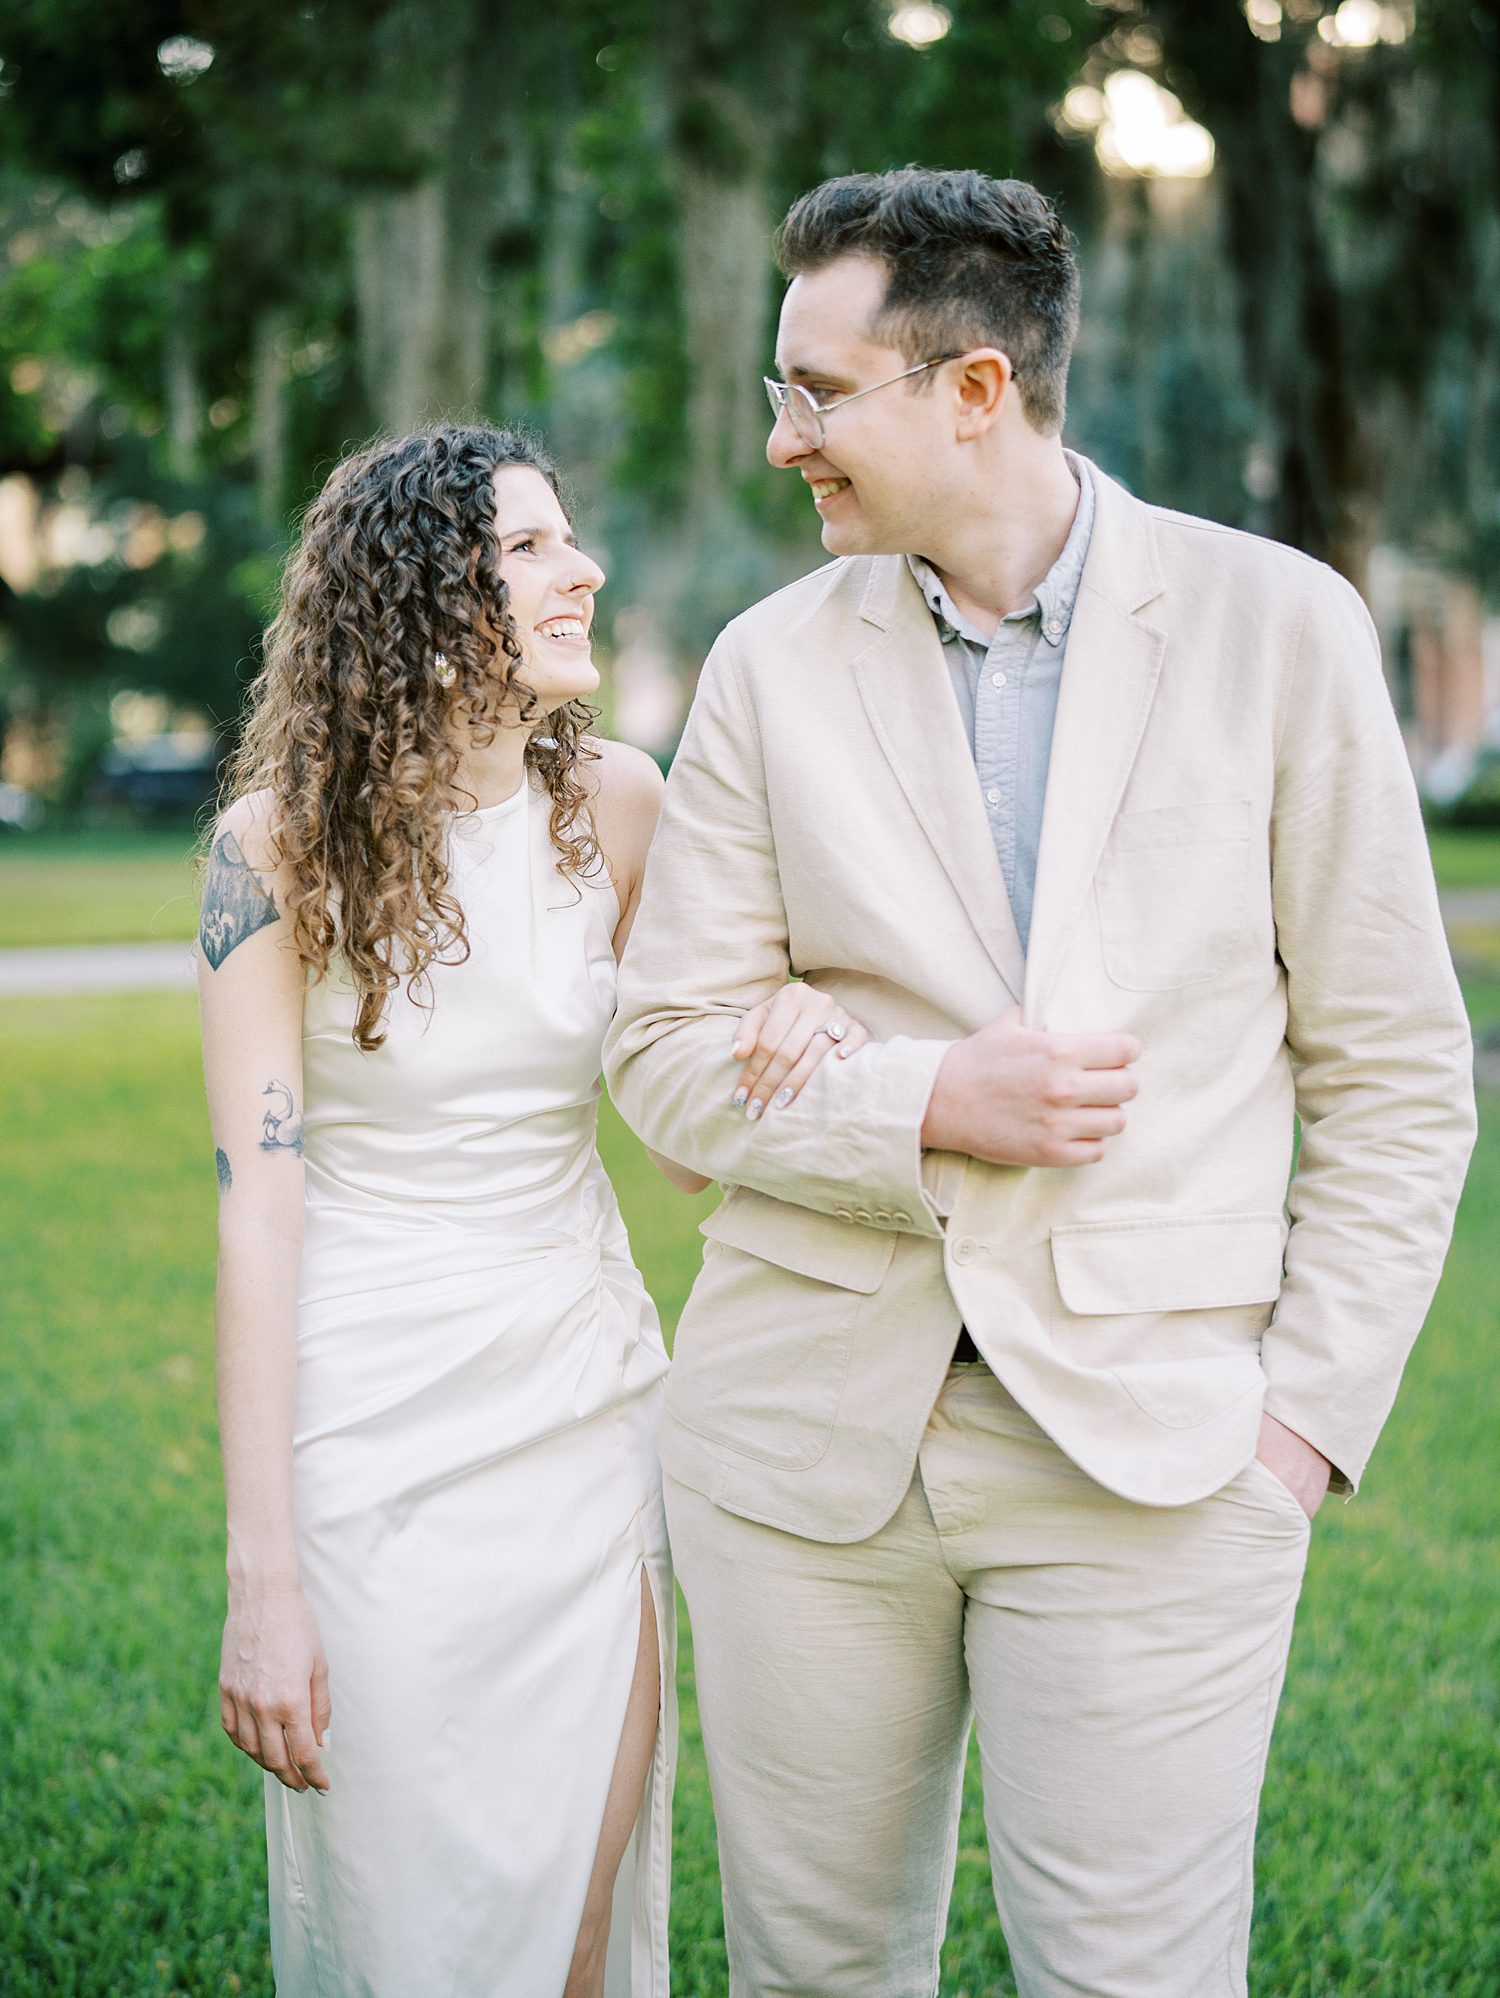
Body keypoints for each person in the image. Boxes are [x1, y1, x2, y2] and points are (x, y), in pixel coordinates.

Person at [603, 169, 1477, 1997]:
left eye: (817, 393)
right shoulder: (768, 669)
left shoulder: (1280, 626)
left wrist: (1294, 1427)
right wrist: (921, 1103)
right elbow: (663, 1053)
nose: (784, 442)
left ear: (976, 389)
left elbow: (1398, 1072)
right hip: (799, 1455)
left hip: (1161, 1460)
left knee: (1133, 1975)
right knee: (816, 1970)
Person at [196, 422, 867, 1998]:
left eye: (573, 539)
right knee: (409, 1917)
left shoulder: (622, 806)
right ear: (422, 591)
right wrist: (264, 1579)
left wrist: (796, 1028)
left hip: (583, 1409)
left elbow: (689, 1146)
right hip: (371, 1436)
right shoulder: (275, 849)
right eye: (532, 547)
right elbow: (257, 1214)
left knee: (577, 1903)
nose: (586, 570)